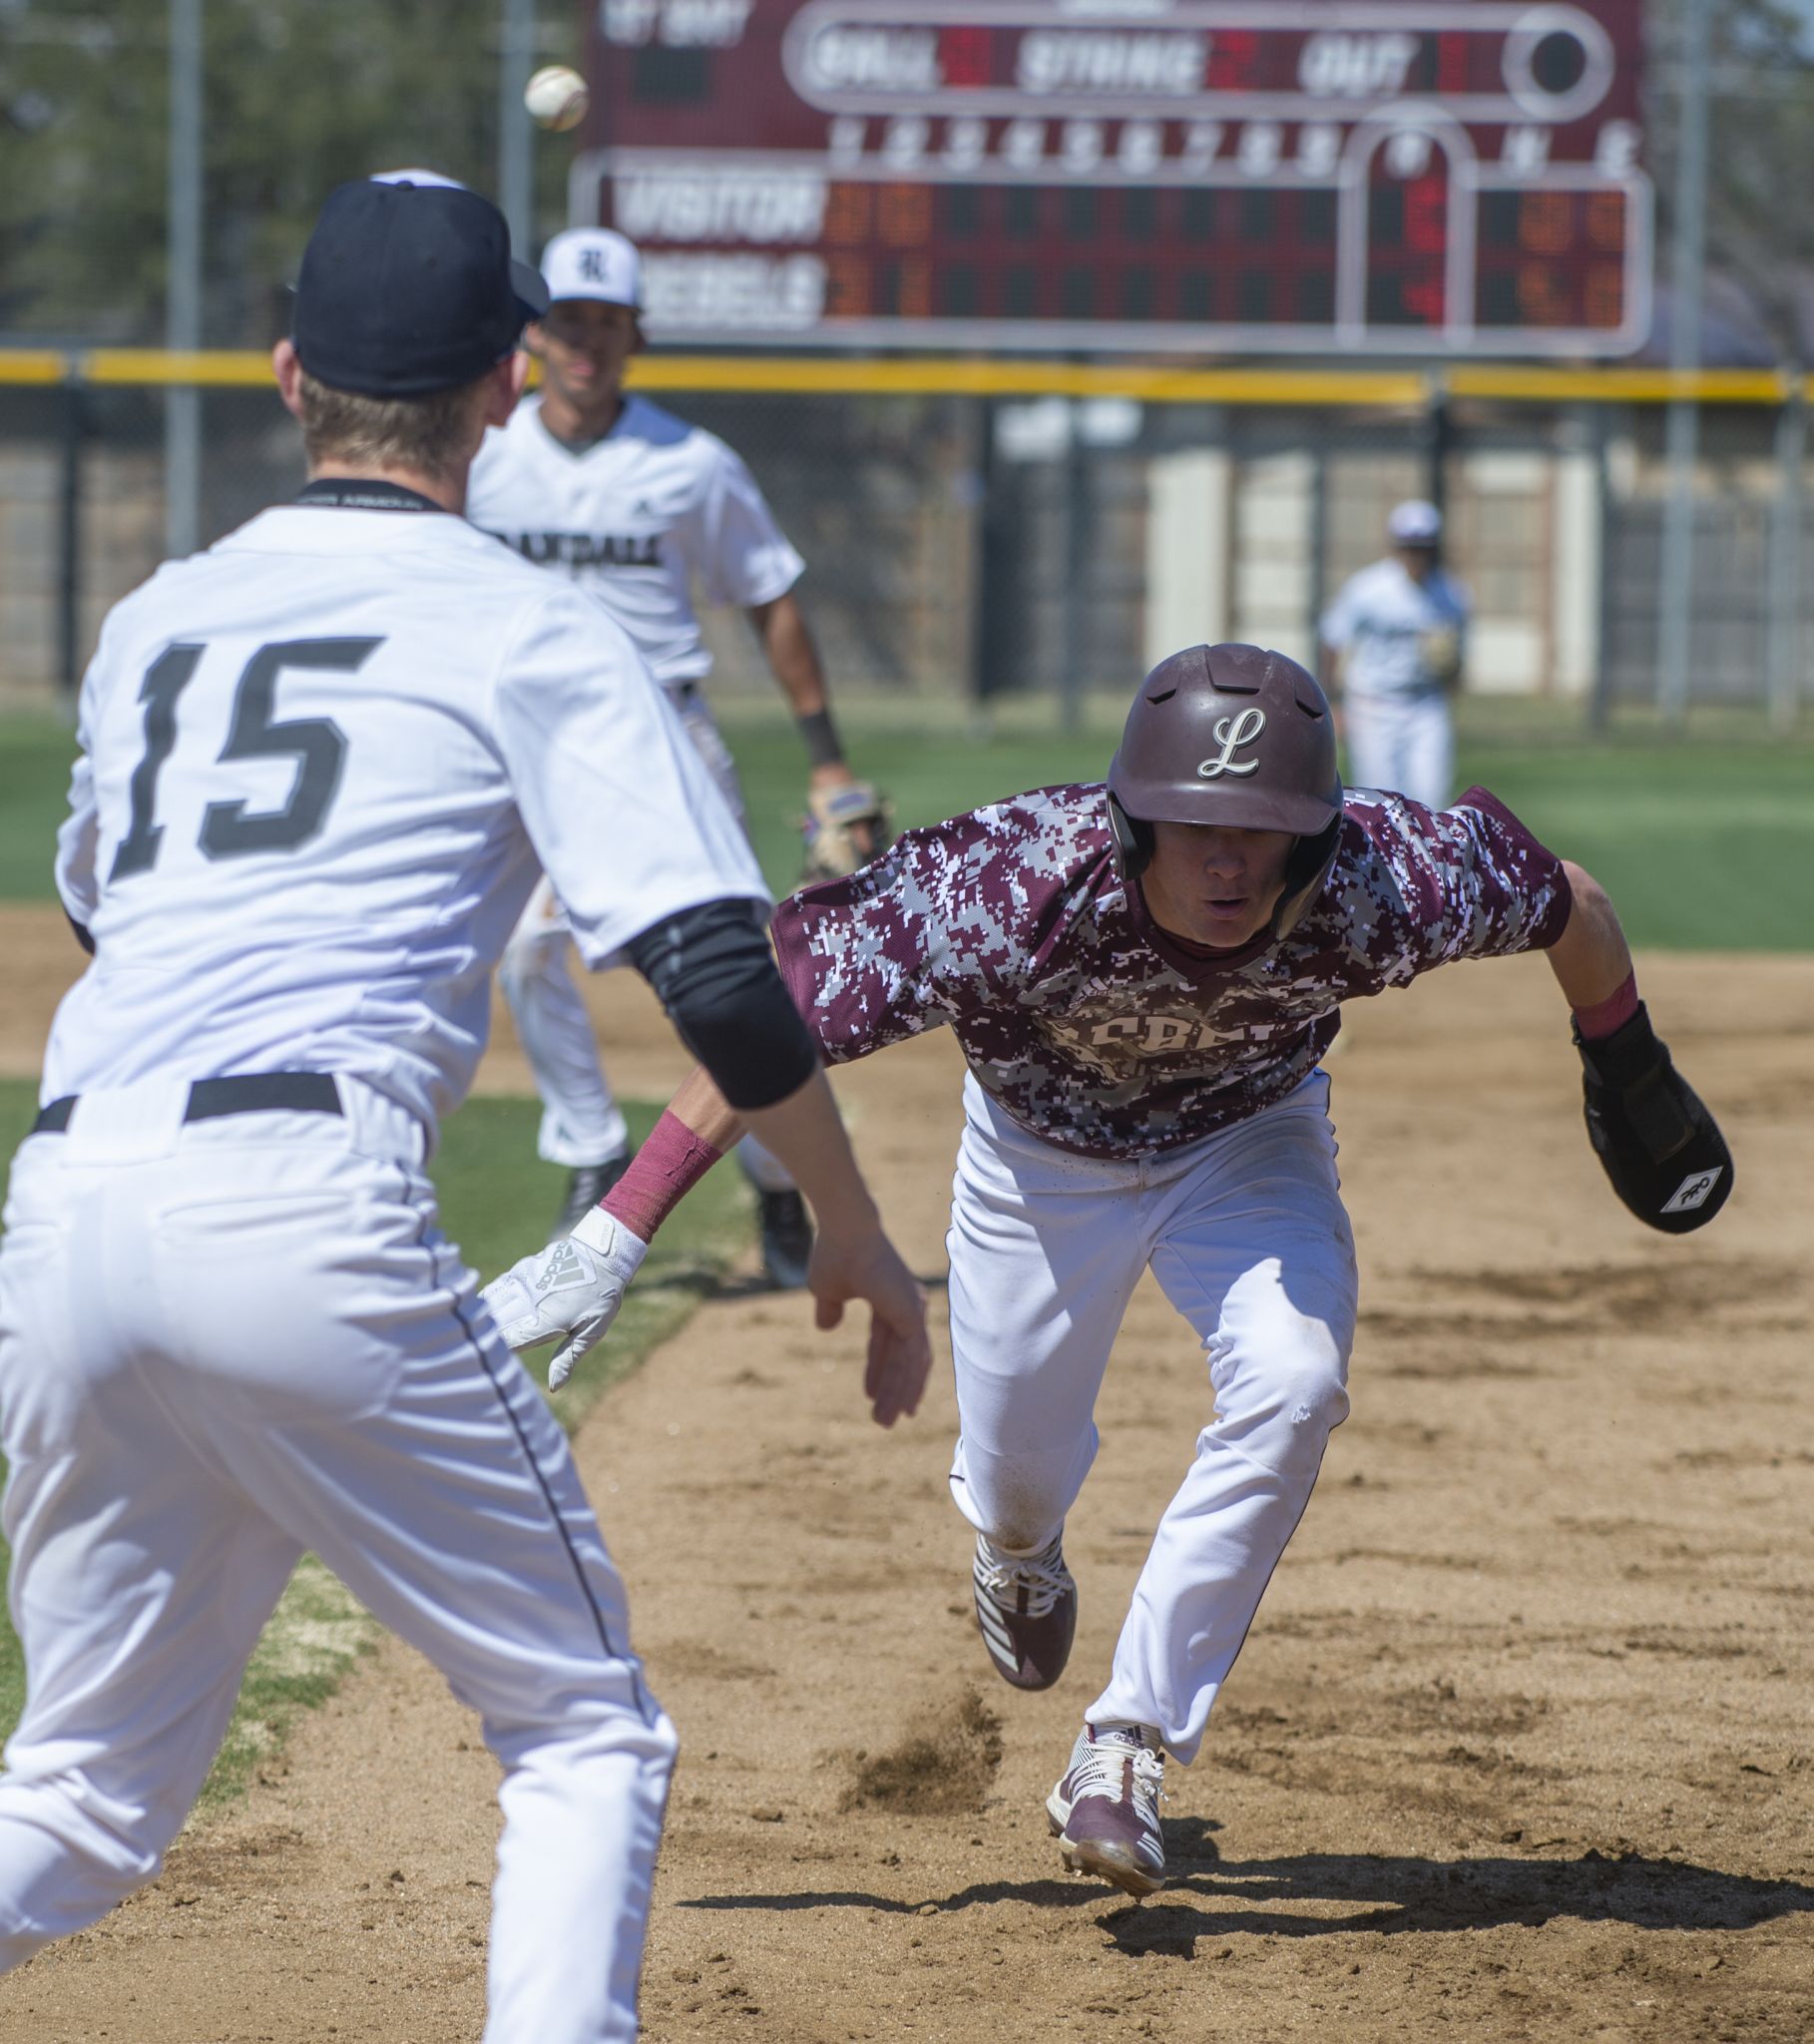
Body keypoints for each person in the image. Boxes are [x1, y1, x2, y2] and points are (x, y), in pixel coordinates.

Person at [0, 178, 928, 2041]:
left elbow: (109, 905)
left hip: (65, 1204)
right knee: (581, 1726)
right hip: (303, 1211)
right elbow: (722, 974)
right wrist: (846, 1213)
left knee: (79, 1790)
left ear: (286, 377)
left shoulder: (154, 615)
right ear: (507, 383)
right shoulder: (531, 624)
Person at [482, 642, 1734, 1902]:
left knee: (1296, 1380)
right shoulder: (1008, 886)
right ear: (1136, 818)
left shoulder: (1384, 876)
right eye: (1195, 827)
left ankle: (1124, 1742)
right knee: (1019, 1478)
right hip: (1040, 1162)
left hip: (1250, 1139)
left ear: (1317, 831)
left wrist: (1627, 1062)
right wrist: (619, 1226)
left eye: (1266, 829)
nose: (1231, 861)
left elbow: (1563, 897)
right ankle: (1020, 1546)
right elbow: (773, 1009)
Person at [465, 227, 885, 1273]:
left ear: (636, 336)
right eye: (568, 322)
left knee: (731, 983)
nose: (586, 344)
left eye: (606, 324)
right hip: (530, 735)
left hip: (665, 738)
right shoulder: (487, 453)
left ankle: (779, 1186)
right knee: (524, 949)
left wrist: (827, 759)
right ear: (537, 334)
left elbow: (770, 601)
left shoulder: (692, 463)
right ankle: (589, 1152)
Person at [1319, 497, 1470, 810]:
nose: (1416, 554)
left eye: (1424, 546)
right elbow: (1333, 638)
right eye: (1410, 545)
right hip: (1374, 702)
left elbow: (1458, 655)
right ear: (1396, 546)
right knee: (1380, 800)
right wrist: (1332, 702)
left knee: (1432, 795)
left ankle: (1426, 860)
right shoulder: (1370, 588)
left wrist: (1452, 671)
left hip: (1425, 702)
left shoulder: (1451, 593)